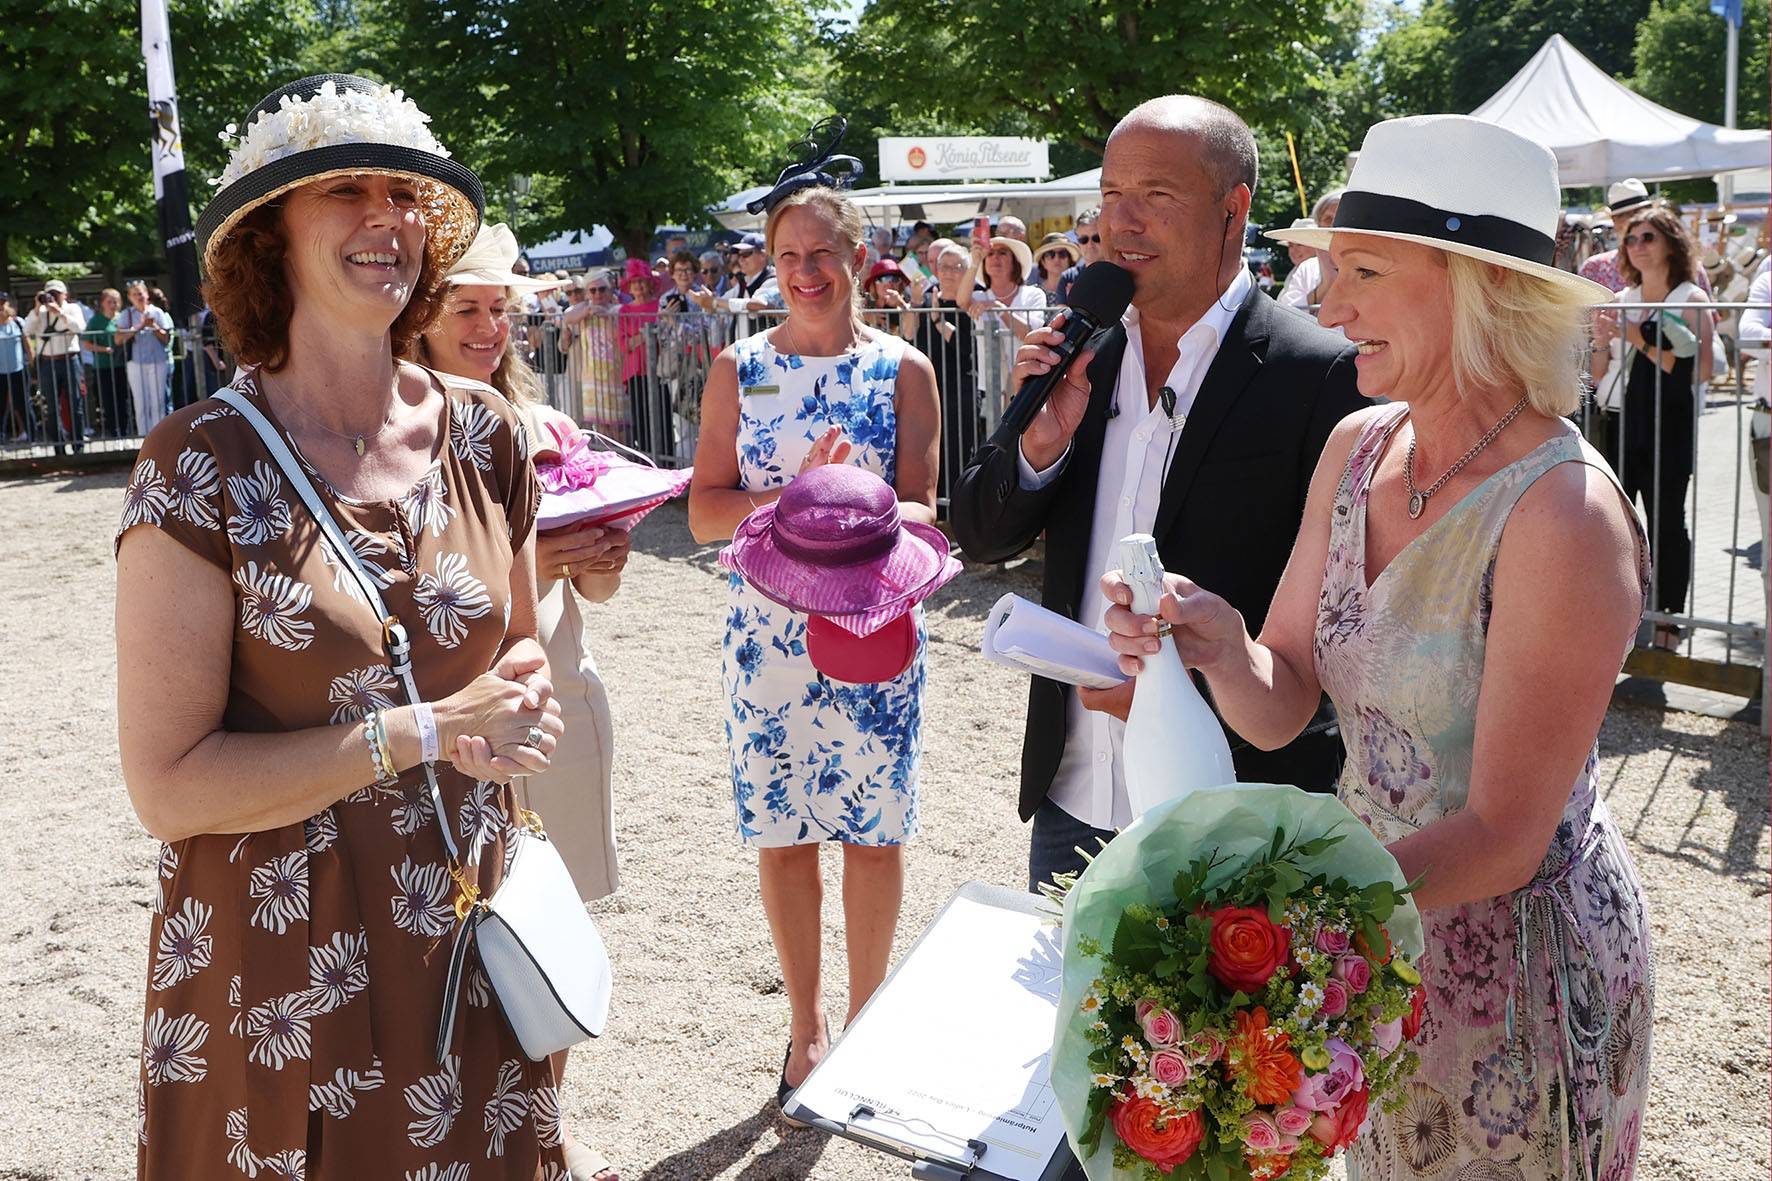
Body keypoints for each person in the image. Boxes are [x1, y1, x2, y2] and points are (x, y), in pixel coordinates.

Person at [1109, 112, 1651, 1181]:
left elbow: (1501, 833)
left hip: (1509, 989)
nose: (1326, 301)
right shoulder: (1360, 447)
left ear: (1474, 286)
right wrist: (1211, 642)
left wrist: (1276, 919)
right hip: (1364, 955)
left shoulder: (1563, 514)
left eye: (1359, 269)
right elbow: (1280, 698)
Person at [116, 74, 569, 1177]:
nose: (387, 218)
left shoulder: (486, 430)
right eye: (343, 192)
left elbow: (513, 637)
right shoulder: (196, 464)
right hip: (280, 967)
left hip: (469, 930)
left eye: (404, 195)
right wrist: (411, 731)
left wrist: (522, 691)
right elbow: (166, 785)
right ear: (268, 238)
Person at [949, 94, 1363, 897]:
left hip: (1230, 804)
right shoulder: (1080, 351)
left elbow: (1334, 630)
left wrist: (1185, 690)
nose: (1120, 223)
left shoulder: (1319, 374)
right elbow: (980, 533)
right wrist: (1038, 441)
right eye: (1109, 196)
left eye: (1156, 197)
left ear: (1233, 210)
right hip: (1074, 795)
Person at [686, 179, 941, 1114]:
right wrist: (790, 497)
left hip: (872, 627)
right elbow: (705, 511)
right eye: (787, 255)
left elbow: (924, 512)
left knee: (875, 834)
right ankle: (806, 1029)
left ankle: (869, 1022)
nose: (803, 272)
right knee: (785, 834)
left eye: (820, 253)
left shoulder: (905, 368)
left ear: (858, 257)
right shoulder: (738, 367)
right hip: (768, 638)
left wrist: (851, 502)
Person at [410, 220, 626, 1181]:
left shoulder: (549, 430)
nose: (492, 326)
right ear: (422, 318)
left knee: (550, 927)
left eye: (502, 309)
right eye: (469, 308)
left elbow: (597, 594)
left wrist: (603, 556)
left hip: (558, 705)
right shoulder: (394, 429)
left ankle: (548, 1127)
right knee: (443, 937)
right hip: (452, 719)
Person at [1590, 204, 1712, 650]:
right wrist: (1603, 340)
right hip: (1617, 420)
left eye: (1648, 238)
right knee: (1615, 526)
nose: (1637, 247)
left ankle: (1668, 621)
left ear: (1671, 243)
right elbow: (1601, 370)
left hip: (1667, 424)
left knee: (1665, 523)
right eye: (1631, 239)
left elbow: (1701, 370)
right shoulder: (1622, 299)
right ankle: (1617, 619)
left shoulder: (1690, 298)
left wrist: (1637, 336)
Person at [914, 244, 980, 505]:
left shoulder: (973, 300)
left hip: (961, 384)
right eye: (944, 267)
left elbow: (967, 348)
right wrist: (918, 306)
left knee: (961, 445)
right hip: (932, 383)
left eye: (957, 267)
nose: (949, 273)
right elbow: (914, 338)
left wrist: (940, 322)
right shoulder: (929, 297)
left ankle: (960, 505)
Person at [960, 233, 1044, 405]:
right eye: (990, 254)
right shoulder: (979, 297)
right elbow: (962, 301)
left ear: (1014, 262)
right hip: (992, 387)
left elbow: (1030, 333)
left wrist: (1001, 309)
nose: (995, 258)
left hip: (1028, 382)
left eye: (1002, 253)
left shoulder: (1033, 294)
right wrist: (975, 261)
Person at [659, 249, 717, 454]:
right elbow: (662, 336)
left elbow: (706, 330)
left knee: (705, 420)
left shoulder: (703, 296)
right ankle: (685, 472)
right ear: (672, 273)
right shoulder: (666, 299)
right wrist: (666, 321)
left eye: (688, 269)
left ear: (694, 272)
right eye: (679, 270)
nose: (683, 274)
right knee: (681, 421)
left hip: (701, 364)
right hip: (676, 365)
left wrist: (676, 324)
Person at [22, 279, 87, 451]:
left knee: (75, 404)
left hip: (69, 359)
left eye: (57, 294)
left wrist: (59, 313)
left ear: (64, 294)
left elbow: (79, 328)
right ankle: (58, 446)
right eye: (50, 293)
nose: (53, 297)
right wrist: (37, 308)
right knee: (49, 407)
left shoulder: (72, 309)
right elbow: (27, 330)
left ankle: (77, 445)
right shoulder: (40, 312)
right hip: (48, 362)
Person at [115, 280, 175, 437]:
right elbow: (118, 339)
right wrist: (139, 326)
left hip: (158, 361)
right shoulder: (126, 315)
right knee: (140, 402)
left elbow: (166, 339)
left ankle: (160, 436)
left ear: (146, 295)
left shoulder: (157, 313)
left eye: (140, 293)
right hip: (136, 363)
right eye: (134, 294)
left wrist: (153, 327)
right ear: (130, 297)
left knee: (158, 401)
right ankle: (143, 436)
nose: (138, 297)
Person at [1579, 178, 1656, 294]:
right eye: (1622, 215)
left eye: (1639, 212)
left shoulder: (1671, 262)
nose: (1632, 220)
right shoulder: (1594, 267)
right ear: (1614, 221)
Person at [617, 258, 662, 453]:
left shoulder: (660, 305)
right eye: (635, 283)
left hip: (660, 370)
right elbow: (624, 345)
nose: (639, 286)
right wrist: (647, 333)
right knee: (641, 418)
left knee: (663, 416)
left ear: (650, 283)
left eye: (642, 281)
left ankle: (665, 458)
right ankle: (646, 457)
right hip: (636, 371)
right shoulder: (624, 311)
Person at [1276, 189, 1342, 312]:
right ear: (1319, 227)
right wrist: (1327, 283)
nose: (1334, 226)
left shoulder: (1377, 266)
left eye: (1300, 244)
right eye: (1328, 219)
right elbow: (1287, 316)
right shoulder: (1306, 269)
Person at [85, 288, 129, 436]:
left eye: (115, 301)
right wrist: (104, 349)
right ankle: (112, 430)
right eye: (109, 301)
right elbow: (87, 343)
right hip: (103, 366)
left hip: (121, 364)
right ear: (103, 303)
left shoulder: (122, 318)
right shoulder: (96, 320)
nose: (113, 304)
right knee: (107, 399)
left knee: (123, 398)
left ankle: (124, 429)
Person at [1055, 207, 1104, 304]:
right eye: (1084, 239)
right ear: (1078, 241)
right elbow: (1063, 315)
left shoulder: (1120, 274)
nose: (1090, 245)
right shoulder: (1068, 277)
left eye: (1096, 238)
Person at [0, 295, 30, 441]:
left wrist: (32, 363)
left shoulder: (18, 322)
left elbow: (28, 344)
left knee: (23, 404)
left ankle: (32, 436)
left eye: (2, 303)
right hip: (0, 373)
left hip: (18, 370)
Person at [1033, 233, 1079, 303]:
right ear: (1043, 262)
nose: (1056, 259)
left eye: (1062, 254)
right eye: (1050, 254)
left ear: (1069, 260)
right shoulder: (1033, 293)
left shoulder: (1078, 290)